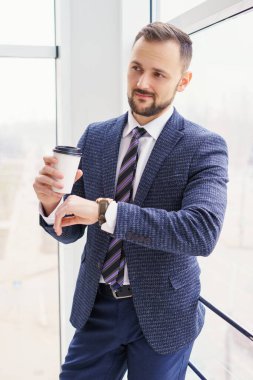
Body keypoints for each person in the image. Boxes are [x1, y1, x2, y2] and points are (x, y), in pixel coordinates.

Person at [33, 22, 228, 380]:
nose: (142, 83)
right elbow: (71, 231)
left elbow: (202, 232)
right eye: (137, 68)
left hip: (165, 314)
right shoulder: (96, 137)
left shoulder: (204, 146)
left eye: (158, 74)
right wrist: (50, 207)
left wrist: (106, 212)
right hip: (97, 307)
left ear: (182, 82)